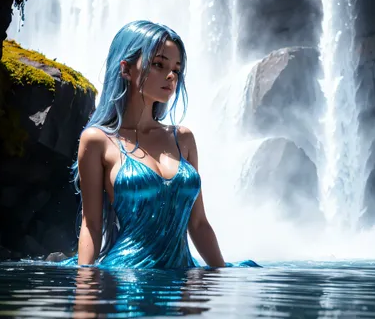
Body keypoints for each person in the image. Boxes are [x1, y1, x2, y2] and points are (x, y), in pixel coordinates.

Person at [60, 20, 258, 269]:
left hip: (181, 282)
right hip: (126, 282)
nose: (171, 75)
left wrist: (222, 275)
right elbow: (91, 225)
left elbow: (198, 224)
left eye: (177, 69)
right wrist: (86, 286)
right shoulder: (98, 140)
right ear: (126, 69)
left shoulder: (183, 138)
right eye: (158, 64)